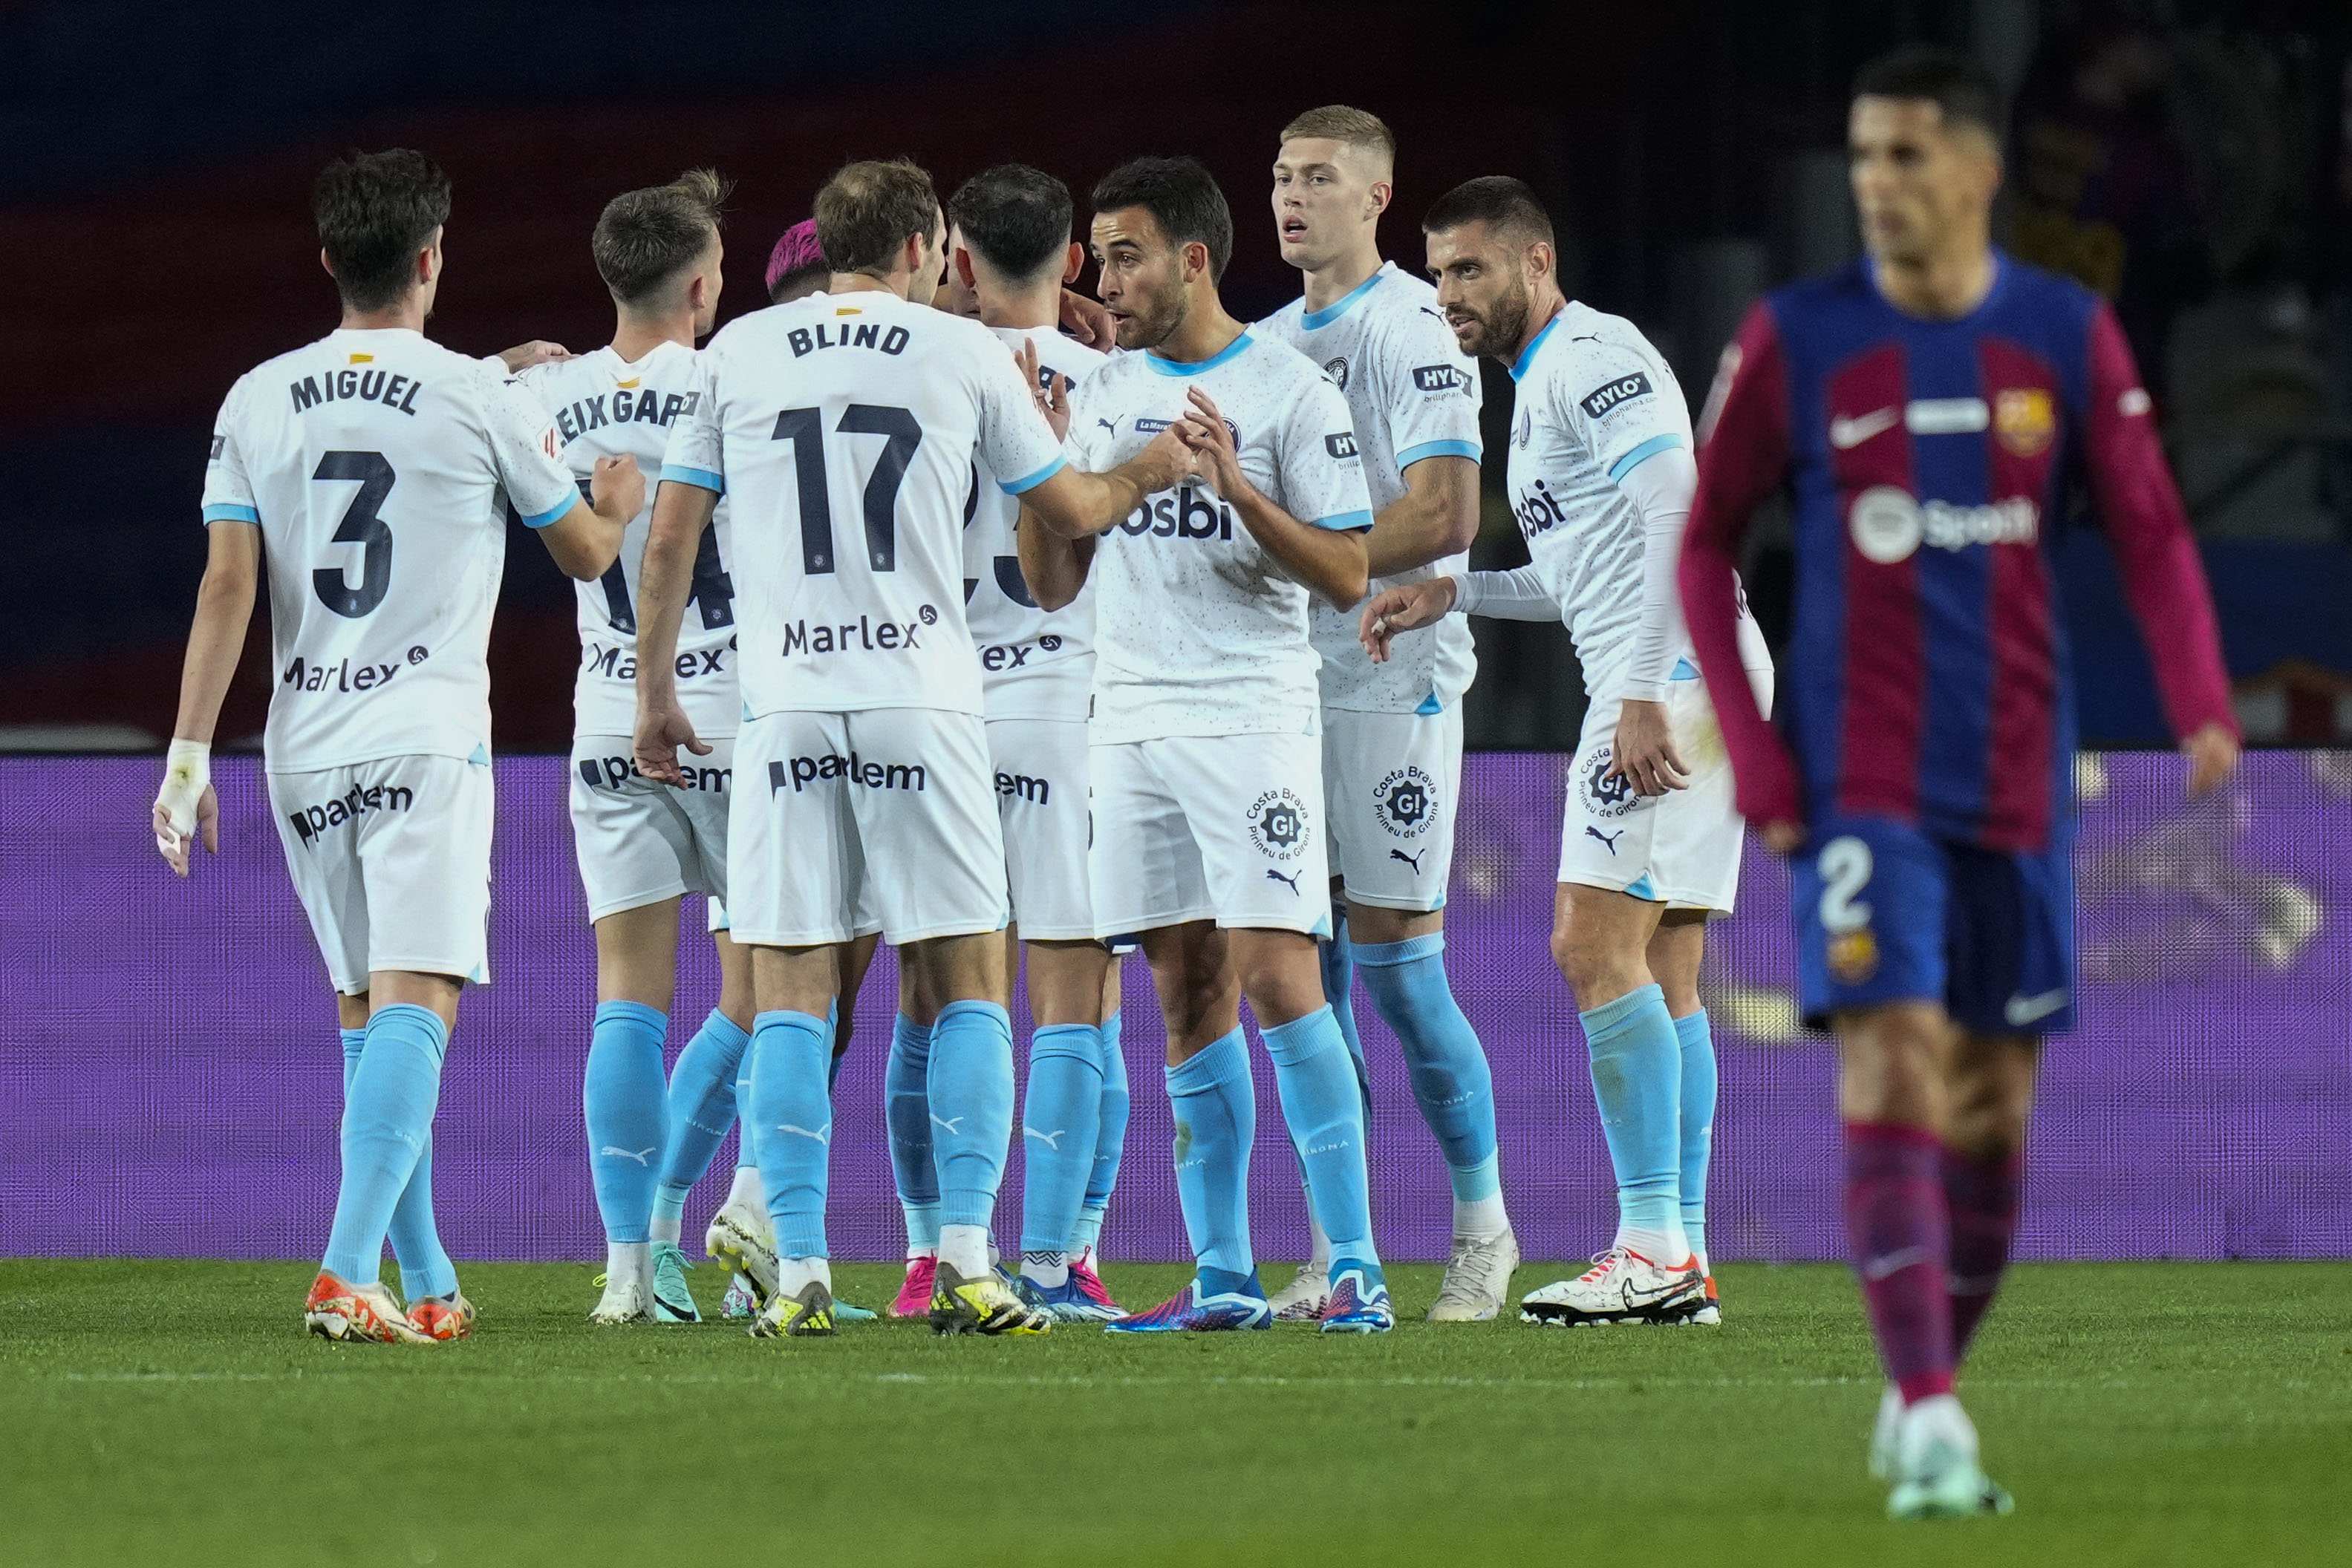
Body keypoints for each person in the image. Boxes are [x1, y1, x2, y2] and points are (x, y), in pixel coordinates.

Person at [1678, 47, 2238, 1519]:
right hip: (1864, 784)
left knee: (1992, 1107)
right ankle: (1932, 1414)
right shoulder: (1797, 336)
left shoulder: (2065, 332)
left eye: (1908, 156)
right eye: (1862, 157)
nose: (1878, 184)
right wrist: (1753, 743)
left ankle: (1917, 1377)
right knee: (1896, 1055)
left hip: (2016, 784)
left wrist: (2197, 707)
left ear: (1981, 173)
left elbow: (2154, 532)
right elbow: (1702, 542)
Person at [633, 157, 1189, 1339]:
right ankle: (973, 1264)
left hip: (784, 703)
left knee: (790, 987)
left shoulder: (736, 353)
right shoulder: (964, 356)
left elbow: (672, 537)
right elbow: (1075, 514)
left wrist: (653, 690)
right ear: (928, 245)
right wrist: (1156, 464)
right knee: (966, 979)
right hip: (925, 696)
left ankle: (798, 1275)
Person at [153, 148, 639, 1343]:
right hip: (421, 741)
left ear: (328, 259)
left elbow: (227, 585)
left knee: (373, 1021)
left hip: (301, 743)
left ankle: (422, 1277)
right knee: (420, 1007)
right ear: (433, 256)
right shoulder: (478, 400)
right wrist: (620, 500)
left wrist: (185, 754)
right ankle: (343, 1266)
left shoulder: (254, 396)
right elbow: (581, 551)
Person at [1363, 177, 1773, 1329]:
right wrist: (1456, 592)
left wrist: (1643, 689)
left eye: (1471, 270)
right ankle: (1676, 1255)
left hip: (1672, 675)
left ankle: (1648, 1245)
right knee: (1669, 966)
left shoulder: (1592, 357)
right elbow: (1581, 572)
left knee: (1589, 942)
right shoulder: (1540, 382)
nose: (1449, 294)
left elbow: (1681, 509)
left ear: (1536, 262)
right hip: (1699, 666)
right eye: (1438, 271)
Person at [1023, 156, 1391, 1333]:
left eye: (1126, 252)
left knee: (1281, 980)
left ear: (1191, 259)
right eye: (1099, 252)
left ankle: (1358, 1264)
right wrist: (1043, 473)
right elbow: (1048, 585)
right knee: (1184, 996)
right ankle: (1223, 1273)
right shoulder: (1105, 393)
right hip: (1129, 722)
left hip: (1250, 718)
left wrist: (1237, 484)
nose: (1106, 276)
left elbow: (1346, 575)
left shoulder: (1288, 393)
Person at [1257, 105, 1515, 1322]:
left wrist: (1307, 556)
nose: (1291, 197)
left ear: (1376, 196)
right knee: (1306, 980)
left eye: (1318, 178)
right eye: (1279, 177)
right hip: (1279, 685)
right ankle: (1337, 1246)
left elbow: (1448, 512)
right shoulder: (1260, 342)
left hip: (1385, 674)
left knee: (1404, 973)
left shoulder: (1410, 323)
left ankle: (1484, 1234)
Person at [873, 163, 1128, 1325]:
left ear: (956, 261)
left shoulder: (926, 368)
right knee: (1080, 996)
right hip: (1073, 704)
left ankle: (930, 1252)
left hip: (944, 705)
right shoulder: (1121, 378)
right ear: (1075, 262)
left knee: (933, 996)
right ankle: (1060, 1257)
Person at [512, 169, 761, 1327]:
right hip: (729, 710)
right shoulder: (731, 380)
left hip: (602, 715)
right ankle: (727, 1224)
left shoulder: (542, 399)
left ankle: (627, 1275)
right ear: (704, 281)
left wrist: (507, 366)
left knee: (628, 999)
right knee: (769, 992)